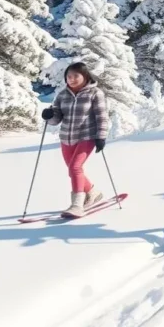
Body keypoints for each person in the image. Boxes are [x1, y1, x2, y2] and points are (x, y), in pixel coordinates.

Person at [41, 62, 110, 217]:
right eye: (68, 76)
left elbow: (102, 116)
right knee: (73, 171)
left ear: (85, 76)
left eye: (75, 76)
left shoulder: (95, 93)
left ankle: (76, 205)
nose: (71, 79)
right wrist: (49, 116)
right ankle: (93, 192)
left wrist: (101, 137)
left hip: (87, 136)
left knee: (75, 168)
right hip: (66, 138)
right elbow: (56, 118)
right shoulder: (62, 95)